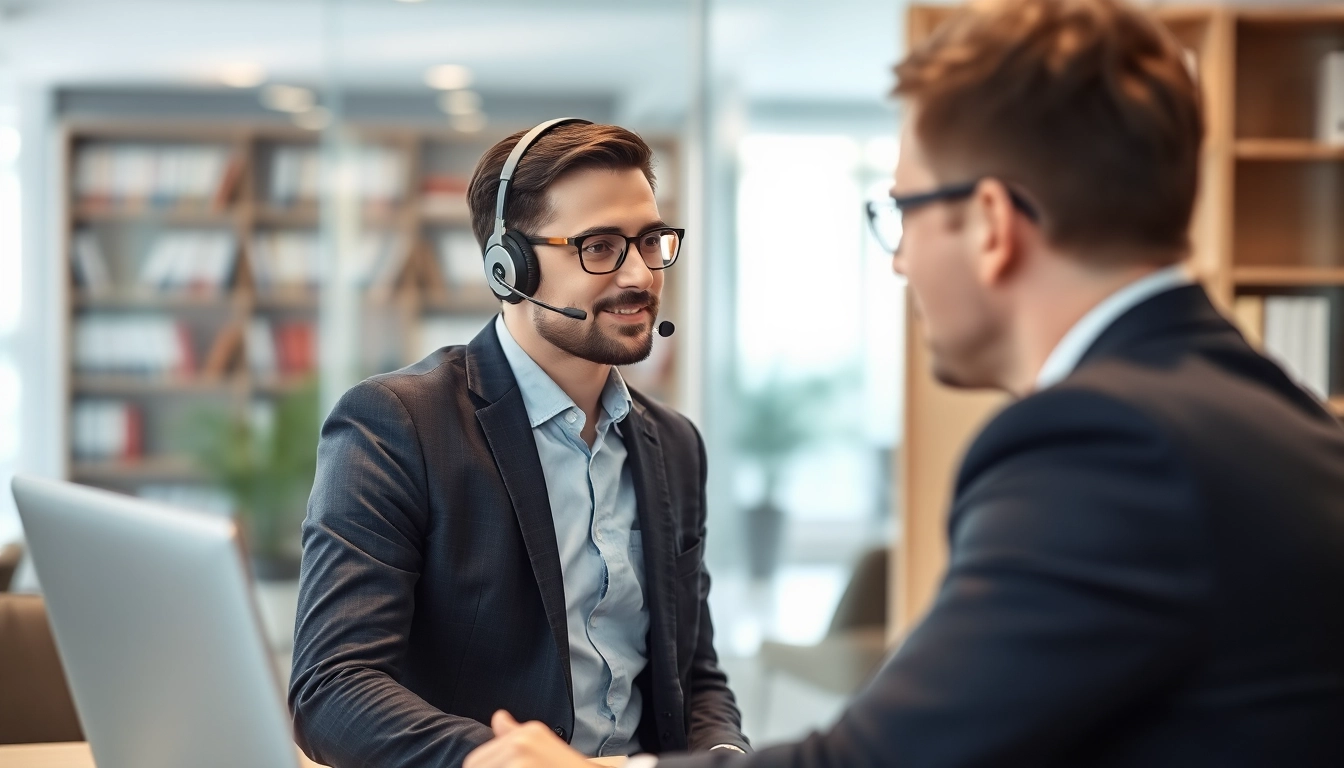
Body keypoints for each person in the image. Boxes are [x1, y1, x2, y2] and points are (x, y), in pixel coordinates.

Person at [462, 1, 1344, 766]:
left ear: (992, 224)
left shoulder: (1108, 446)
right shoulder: (1271, 407)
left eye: (903, 212)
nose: (900, 262)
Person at [289, 119, 749, 768]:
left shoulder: (673, 444)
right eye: (599, 247)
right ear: (510, 266)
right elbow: (332, 687)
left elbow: (695, 677)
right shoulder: (394, 425)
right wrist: (496, 760)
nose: (641, 275)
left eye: (650, 240)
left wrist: (727, 756)